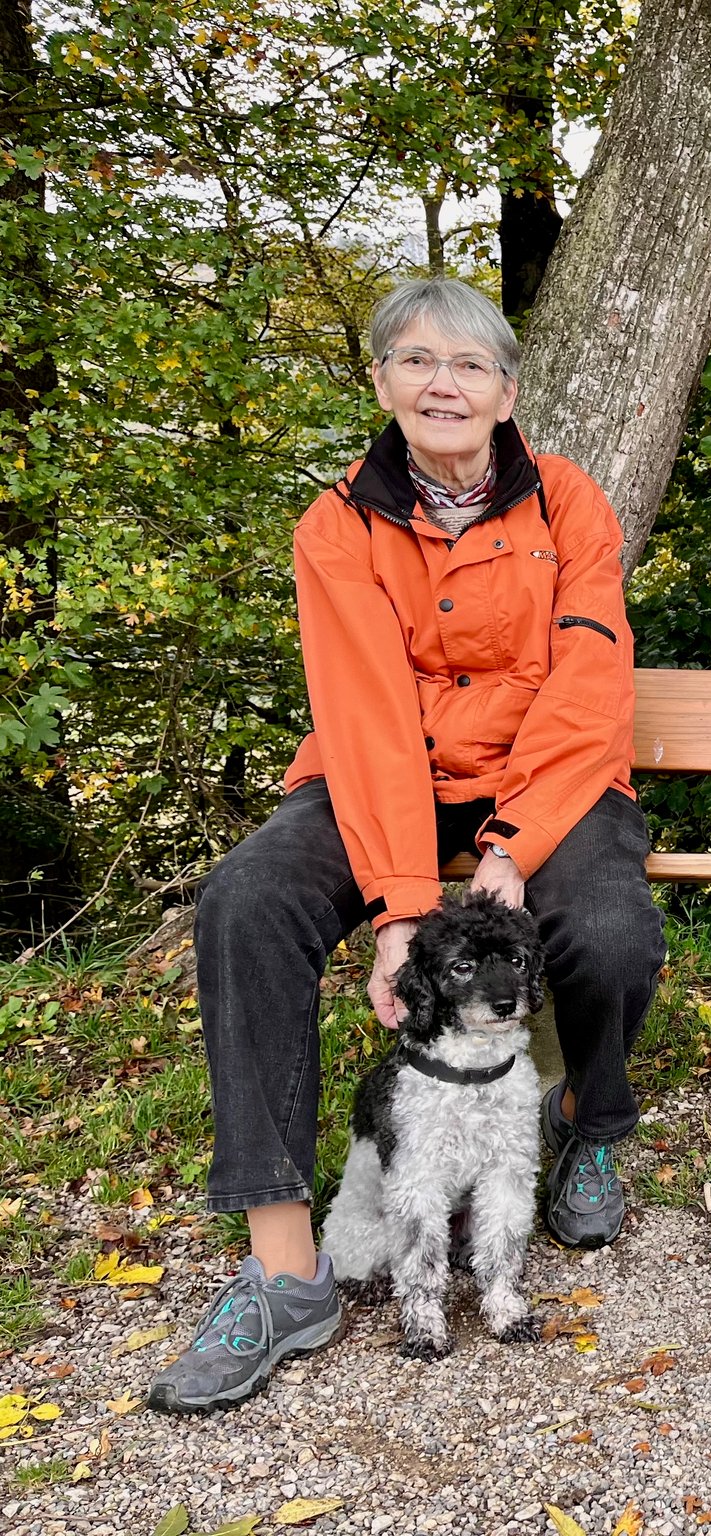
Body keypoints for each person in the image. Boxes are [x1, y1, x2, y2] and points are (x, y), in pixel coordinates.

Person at [149, 278, 667, 1414]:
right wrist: (399, 907)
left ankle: (585, 1128)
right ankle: (286, 1272)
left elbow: (590, 689)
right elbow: (367, 716)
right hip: (383, 781)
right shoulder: (338, 524)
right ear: (382, 380)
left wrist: (514, 842)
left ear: (506, 392)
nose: (444, 384)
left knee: (609, 930)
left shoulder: (569, 503)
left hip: (543, 781)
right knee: (247, 901)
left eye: (470, 364)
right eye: (418, 361)